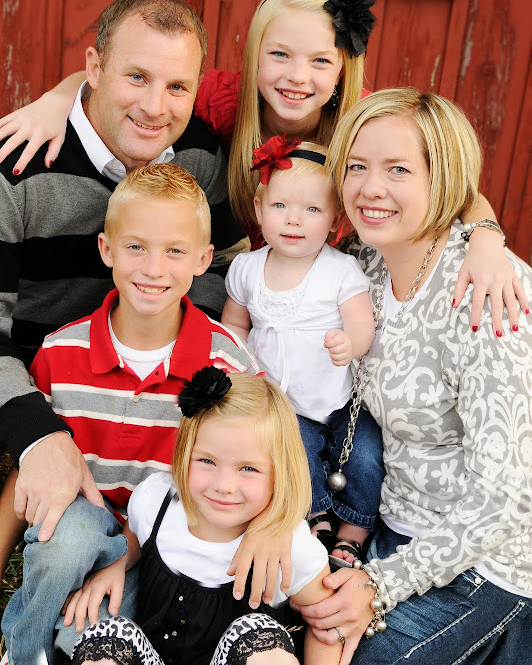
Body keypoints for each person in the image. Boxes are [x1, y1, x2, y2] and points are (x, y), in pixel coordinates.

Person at [0, 0, 521, 336]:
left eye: (320, 61)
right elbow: (141, 83)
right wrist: (58, 99)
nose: (297, 77)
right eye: (280, 55)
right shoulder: (222, 103)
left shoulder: (361, 125)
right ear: (254, 56)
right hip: (242, 300)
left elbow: (454, 191)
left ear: (343, 69)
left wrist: (487, 239)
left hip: (325, 309)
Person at [0, 0, 249, 552]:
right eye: (137, 77)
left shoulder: (200, 157)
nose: (156, 107)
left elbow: (223, 265)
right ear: (93, 68)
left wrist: (172, 351)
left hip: (147, 383)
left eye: (177, 86)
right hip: (40, 378)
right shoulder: (16, 169)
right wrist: (38, 434)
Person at [289, 89, 531, 665]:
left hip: (487, 558)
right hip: (389, 525)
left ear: (441, 178)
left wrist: (380, 586)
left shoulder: (488, 294)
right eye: (357, 166)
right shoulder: (364, 264)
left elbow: (504, 499)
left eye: (398, 169)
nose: (371, 188)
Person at [0, 163, 262, 664]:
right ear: (107, 250)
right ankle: (23, 651)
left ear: (203, 259)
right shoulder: (61, 351)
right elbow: (32, 465)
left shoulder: (228, 366)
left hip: (162, 544)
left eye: (175, 251)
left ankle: (71, 639)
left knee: (87, 637)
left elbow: (266, 461)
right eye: (136, 246)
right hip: (78, 523)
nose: (153, 268)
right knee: (70, 541)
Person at [64, 369, 342, 665]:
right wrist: (118, 563)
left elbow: (325, 621)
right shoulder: (157, 502)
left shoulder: (289, 547)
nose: (224, 485)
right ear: (185, 454)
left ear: (280, 473)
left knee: (261, 640)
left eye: (248, 468)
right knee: (107, 637)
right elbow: (135, 531)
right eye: (207, 461)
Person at [221, 138, 382, 567]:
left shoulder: (340, 270)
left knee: (366, 456)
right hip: (283, 403)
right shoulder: (247, 268)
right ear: (259, 209)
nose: (294, 220)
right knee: (295, 455)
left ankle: (356, 528)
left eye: (312, 209)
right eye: (280, 206)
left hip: (340, 400)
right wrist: (235, 365)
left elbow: (362, 323)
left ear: (334, 221)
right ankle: (315, 517)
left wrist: (351, 343)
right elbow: (235, 324)